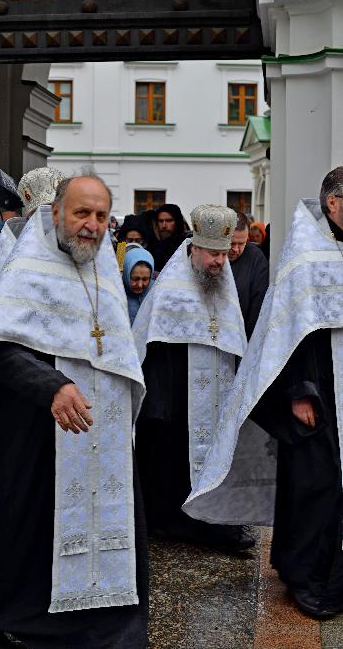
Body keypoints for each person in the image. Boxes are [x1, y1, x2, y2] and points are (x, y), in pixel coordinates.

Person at [0, 174, 148, 649]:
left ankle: (104, 617)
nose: (90, 225)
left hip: (97, 431)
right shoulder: (27, 267)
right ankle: (13, 618)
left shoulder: (105, 271)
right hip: (30, 430)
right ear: (57, 213)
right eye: (81, 213)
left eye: (101, 216)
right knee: (24, 525)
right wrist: (53, 386)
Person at [183, 168, 343, 618]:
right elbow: (286, 334)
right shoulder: (304, 257)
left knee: (332, 486)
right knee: (315, 483)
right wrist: (299, 393)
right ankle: (305, 577)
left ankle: (321, 569)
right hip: (316, 391)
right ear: (332, 203)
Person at [133, 204, 255, 553]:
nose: (219, 262)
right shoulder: (170, 288)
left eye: (223, 254)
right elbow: (150, 345)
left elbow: (235, 339)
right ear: (194, 248)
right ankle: (172, 523)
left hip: (216, 393)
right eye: (212, 254)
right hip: (174, 399)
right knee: (170, 462)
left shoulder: (224, 287)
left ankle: (215, 522)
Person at [228, 212, 269, 339]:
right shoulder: (211, 256)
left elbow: (259, 304)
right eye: (231, 243)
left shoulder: (256, 258)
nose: (236, 250)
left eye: (241, 243)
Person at [146, 203, 185, 273]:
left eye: (169, 221)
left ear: (177, 222)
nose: (164, 225)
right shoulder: (150, 245)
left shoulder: (185, 246)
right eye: (161, 221)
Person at [122, 248, 154, 325]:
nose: (140, 285)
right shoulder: (118, 293)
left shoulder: (156, 291)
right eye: (135, 279)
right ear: (126, 275)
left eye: (145, 279)